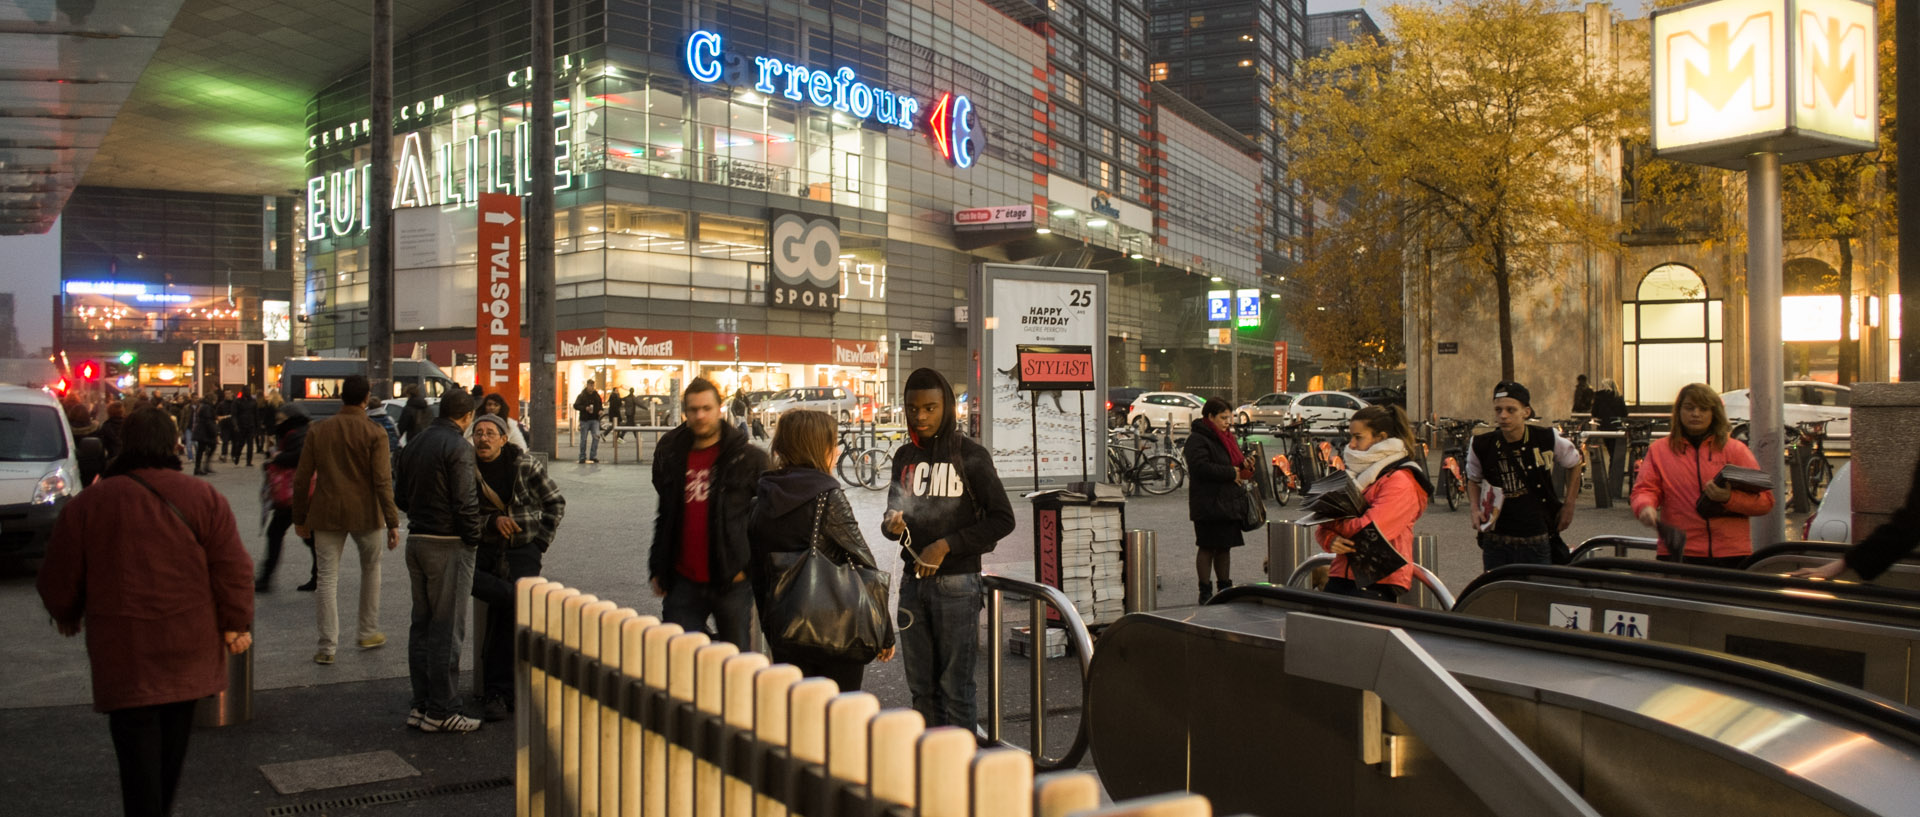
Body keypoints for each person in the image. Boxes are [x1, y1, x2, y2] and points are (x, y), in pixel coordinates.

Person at [37, 407, 254, 817]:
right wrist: (235, 622)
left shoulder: (91, 503)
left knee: (135, 757)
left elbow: (58, 573)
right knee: (171, 750)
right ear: (173, 443)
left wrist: (66, 611)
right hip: (187, 646)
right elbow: (233, 568)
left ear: (125, 443)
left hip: (125, 652)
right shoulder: (203, 498)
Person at [881, 367, 1015, 730]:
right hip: (912, 586)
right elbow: (890, 521)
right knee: (921, 690)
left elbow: (1003, 519)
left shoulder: (970, 455)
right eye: (912, 408)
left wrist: (945, 545)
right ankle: (931, 767)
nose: (920, 416)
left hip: (958, 585)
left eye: (930, 408)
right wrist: (892, 524)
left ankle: (960, 774)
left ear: (947, 408)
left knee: (955, 689)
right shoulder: (904, 456)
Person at [747, 409, 895, 689]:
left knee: (798, 714)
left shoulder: (763, 497)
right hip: (836, 631)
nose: (837, 452)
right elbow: (864, 562)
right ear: (818, 448)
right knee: (839, 715)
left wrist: (771, 626)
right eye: (833, 444)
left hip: (785, 630)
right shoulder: (826, 497)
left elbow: (757, 568)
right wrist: (884, 632)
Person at [648, 378, 769, 647]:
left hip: (732, 581)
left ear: (719, 408)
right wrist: (658, 565)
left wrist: (749, 567)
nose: (700, 415)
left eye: (706, 408)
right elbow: (665, 514)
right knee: (680, 659)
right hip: (682, 580)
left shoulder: (749, 459)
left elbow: (767, 520)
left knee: (735, 665)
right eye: (693, 409)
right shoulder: (673, 455)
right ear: (685, 412)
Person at [393, 388, 488, 732]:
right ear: (466, 417)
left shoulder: (414, 443)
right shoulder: (459, 447)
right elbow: (465, 501)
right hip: (447, 543)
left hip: (416, 539)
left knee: (422, 626)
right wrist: (473, 537)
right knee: (447, 630)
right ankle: (443, 709)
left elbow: (399, 496)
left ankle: (421, 704)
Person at [292, 374, 402, 665]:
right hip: (366, 514)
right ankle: (367, 631)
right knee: (371, 568)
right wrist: (393, 521)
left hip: (326, 512)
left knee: (327, 578)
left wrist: (299, 517)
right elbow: (382, 481)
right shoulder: (375, 433)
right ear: (366, 399)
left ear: (341, 397)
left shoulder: (318, 430)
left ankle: (327, 646)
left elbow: (302, 478)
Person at [467, 412, 565, 721]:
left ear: (503, 438)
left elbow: (555, 502)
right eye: (478, 433)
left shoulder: (524, 465)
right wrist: (491, 522)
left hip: (522, 551)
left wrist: (539, 544)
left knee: (506, 616)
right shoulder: (467, 469)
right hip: (483, 551)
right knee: (507, 601)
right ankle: (506, 687)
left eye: (490, 433)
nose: (483, 438)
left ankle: (500, 691)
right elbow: (462, 515)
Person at [1630, 384, 1774, 568]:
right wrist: (1645, 507)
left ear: (1714, 413)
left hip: (1731, 553)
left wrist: (1729, 498)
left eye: (1703, 408)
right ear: (1679, 411)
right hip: (1678, 553)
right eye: (1689, 408)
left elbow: (1765, 502)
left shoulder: (1736, 450)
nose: (1696, 414)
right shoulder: (1659, 450)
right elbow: (1645, 489)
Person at [1315, 405, 1434, 602]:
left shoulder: (1401, 480)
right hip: (1341, 575)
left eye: (1358, 437)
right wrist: (1329, 539)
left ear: (1380, 438)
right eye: (1350, 436)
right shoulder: (1355, 473)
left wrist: (1331, 522)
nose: (1351, 444)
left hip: (1379, 581)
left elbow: (1371, 531)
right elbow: (1321, 525)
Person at [1466, 381, 1584, 570]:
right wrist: (1474, 509)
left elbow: (1575, 463)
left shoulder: (1546, 437)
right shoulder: (1481, 444)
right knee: (1499, 596)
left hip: (1535, 540)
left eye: (1511, 410)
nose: (1503, 416)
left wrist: (1569, 504)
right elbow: (1473, 479)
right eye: (1498, 410)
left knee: (1536, 596)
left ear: (1526, 412)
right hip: (1496, 541)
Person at [1184, 397, 1254, 602]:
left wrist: (1246, 466)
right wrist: (1231, 473)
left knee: (1224, 547)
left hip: (1228, 502)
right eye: (1223, 418)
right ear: (1210, 417)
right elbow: (1199, 468)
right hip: (1207, 502)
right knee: (1207, 546)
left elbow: (1236, 464)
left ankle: (1224, 588)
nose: (1228, 422)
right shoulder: (1198, 439)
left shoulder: (1227, 438)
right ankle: (1205, 591)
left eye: (1229, 417)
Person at [258, 403, 318, 592]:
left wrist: (276, 456)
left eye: (281, 418)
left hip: (295, 493)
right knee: (308, 537)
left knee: (277, 533)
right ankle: (319, 575)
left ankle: (266, 578)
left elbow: (298, 457)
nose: (278, 421)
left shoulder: (297, 433)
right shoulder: (297, 431)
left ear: (291, 418)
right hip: (299, 493)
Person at [574, 380, 604, 464]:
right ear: (587, 385)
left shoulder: (596, 395)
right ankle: (582, 456)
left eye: (593, 385)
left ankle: (593, 456)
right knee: (583, 439)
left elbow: (600, 405)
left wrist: (601, 410)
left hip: (594, 419)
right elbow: (576, 405)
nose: (592, 387)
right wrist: (585, 408)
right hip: (585, 419)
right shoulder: (582, 395)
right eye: (590, 385)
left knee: (596, 437)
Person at [192, 393, 219, 476]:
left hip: (202, 431)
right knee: (210, 446)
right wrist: (214, 432)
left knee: (201, 449)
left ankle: (200, 467)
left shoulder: (203, 405)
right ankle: (201, 467)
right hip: (204, 432)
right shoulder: (207, 407)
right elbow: (208, 421)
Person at [231, 389, 258, 466]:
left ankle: (249, 461)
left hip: (250, 425)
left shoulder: (253, 401)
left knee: (250, 444)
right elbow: (234, 414)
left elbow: (256, 414)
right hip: (241, 425)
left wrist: (256, 427)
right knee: (241, 443)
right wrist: (235, 425)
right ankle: (237, 455)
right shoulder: (237, 402)